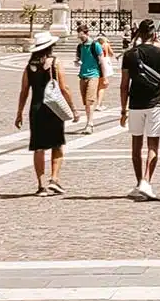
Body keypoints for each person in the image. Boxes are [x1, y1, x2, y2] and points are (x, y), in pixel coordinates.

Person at [15, 31, 75, 196]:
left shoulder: (29, 66)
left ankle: (41, 186)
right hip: (53, 108)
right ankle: (54, 179)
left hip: (36, 108)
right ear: (50, 47)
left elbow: (24, 91)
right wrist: (73, 108)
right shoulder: (55, 63)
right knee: (57, 145)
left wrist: (19, 112)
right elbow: (64, 88)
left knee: (39, 147)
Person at [121, 18, 160, 200]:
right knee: (153, 145)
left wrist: (123, 109)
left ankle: (139, 183)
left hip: (135, 104)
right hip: (154, 104)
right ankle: (146, 181)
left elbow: (123, 85)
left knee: (136, 146)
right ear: (155, 34)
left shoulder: (129, 54)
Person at [75, 25, 106, 134]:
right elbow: (79, 59)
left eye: (80, 34)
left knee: (90, 101)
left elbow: (102, 61)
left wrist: (104, 77)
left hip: (94, 75)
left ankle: (90, 123)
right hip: (82, 76)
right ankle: (89, 121)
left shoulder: (95, 45)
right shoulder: (80, 47)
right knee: (86, 102)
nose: (79, 37)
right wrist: (77, 62)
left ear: (85, 33)